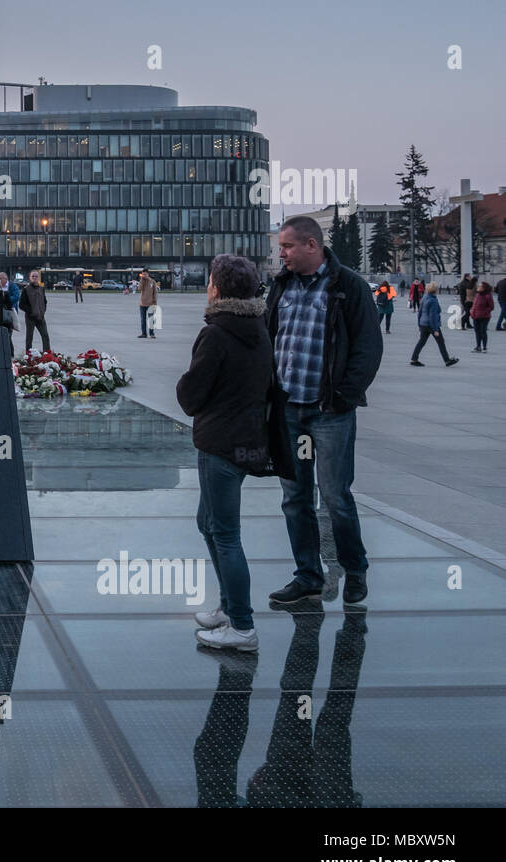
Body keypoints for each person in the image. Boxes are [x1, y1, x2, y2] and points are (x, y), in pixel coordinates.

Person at [265, 216, 382, 607]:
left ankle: (355, 568)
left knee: (335, 496)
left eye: (287, 246)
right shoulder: (281, 285)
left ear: (312, 245)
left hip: (328, 413)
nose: (281, 254)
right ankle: (308, 576)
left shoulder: (348, 286)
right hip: (291, 413)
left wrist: (344, 396)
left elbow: (368, 348)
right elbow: (270, 338)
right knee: (295, 496)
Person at [177, 255, 277, 652]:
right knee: (208, 523)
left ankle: (242, 625)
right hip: (247, 440)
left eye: (210, 282)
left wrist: (186, 387)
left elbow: (191, 395)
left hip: (219, 442)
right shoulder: (258, 326)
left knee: (225, 534)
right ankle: (228, 605)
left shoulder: (217, 333)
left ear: (217, 288)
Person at [410, 282, 458, 367]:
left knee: (421, 342)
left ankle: (414, 359)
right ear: (435, 290)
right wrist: (435, 329)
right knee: (441, 342)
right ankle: (447, 360)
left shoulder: (424, 297)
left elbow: (419, 312)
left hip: (423, 324)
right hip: (431, 325)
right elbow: (433, 316)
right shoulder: (433, 301)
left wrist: (419, 324)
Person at [18, 269, 50, 354]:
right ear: (30, 278)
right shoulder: (26, 289)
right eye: (33, 276)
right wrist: (30, 312)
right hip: (30, 318)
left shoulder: (41, 289)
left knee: (45, 336)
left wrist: (43, 311)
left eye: (36, 276)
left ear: (39, 278)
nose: (34, 278)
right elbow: (21, 304)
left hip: (41, 317)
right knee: (29, 338)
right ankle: (28, 356)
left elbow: (45, 301)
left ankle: (47, 355)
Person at [0, 272, 20, 356]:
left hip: (9, 314)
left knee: (8, 335)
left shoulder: (12, 286)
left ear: (6, 279)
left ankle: (10, 354)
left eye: (0, 278)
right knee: (1, 335)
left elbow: (16, 296)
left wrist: (5, 300)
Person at [470, 280, 494, 352]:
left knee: (483, 331)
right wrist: (472, 312)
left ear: (484, 288)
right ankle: (478, 346)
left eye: (480, 286)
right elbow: (474, 305)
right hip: (476, 316)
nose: (478, 287)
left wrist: (485, 312)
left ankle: (484, 347)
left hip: (484, 317)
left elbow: (491, 307)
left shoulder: (487, 296)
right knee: (477, 332)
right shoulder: (477, 295)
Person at [138, 271, 159, 339]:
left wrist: (155, 302)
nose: (144, 275)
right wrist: (142, 280)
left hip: (151, 303)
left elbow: (155, 292)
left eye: (145, 274)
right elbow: (139, 289)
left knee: (151, 319)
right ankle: (144, 334)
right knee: (143, 320)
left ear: (148, 274)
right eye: (143, 274)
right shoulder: (142, 281)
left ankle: (152, 333)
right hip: (142, 304)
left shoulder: (152, 281)